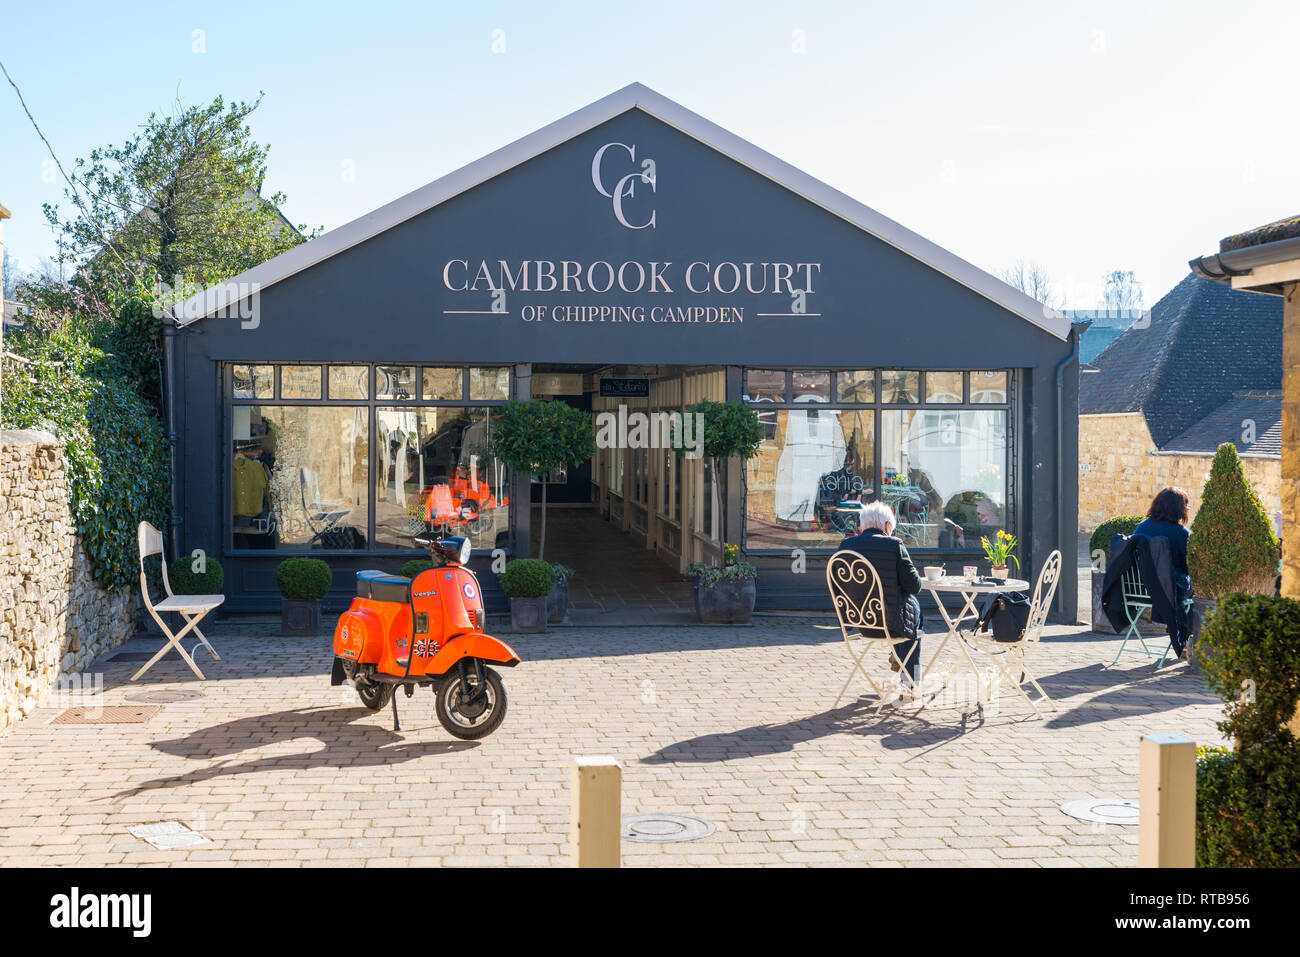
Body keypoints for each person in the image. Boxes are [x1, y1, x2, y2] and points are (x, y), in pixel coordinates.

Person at [839, 501, 924, 688]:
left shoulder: (845, 546)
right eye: (891, 529)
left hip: (861, 622)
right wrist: (914, 574)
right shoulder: (894, 545)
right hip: (891, 624)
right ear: (887, 526)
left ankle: (898, 657)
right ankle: (910, 681)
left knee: (905, 612)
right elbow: (914, 587)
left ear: (862, 526)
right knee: (914, 609)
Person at [1134, 487, 1192, 599]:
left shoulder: (1142, 526)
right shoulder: (1181, 532)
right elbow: (1186, 567)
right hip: (1168, 590)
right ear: (1179, 508)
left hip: (1139, 588)